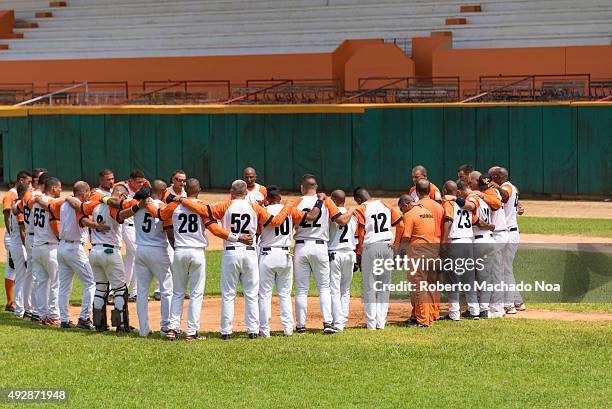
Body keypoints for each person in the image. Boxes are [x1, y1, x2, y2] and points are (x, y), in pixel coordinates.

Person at [180, 179, 295, 339]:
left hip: (231, 252)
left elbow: (202, 210)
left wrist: (182, 199)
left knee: (228, 294)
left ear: (231, 192)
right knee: (251, 294)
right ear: (246, 192)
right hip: (250, 253)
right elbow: (275, 222)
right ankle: (253, 331)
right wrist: (288, 207)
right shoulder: (254, 207)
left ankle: (226, 331)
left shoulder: (224, 206)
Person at [149, 178, 252, 341]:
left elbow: (159, 215)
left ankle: (173, 328)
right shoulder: (202, 207)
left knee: (177, 292)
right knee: (196, 294)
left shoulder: (174, 205)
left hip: (180, 251)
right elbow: (215, 230)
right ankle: (191, 331)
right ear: (199, 190)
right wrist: (237, 237)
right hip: (197, 252)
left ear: (185, 190)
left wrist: (146, 202)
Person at [291, 174, 354, 334]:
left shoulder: (298, 202)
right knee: (324, 287)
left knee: (302, 289)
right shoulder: (326, 201)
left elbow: (288, 222)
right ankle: (328, 322)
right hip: (320, 247)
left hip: (301, 246)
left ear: (302, 188)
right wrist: (352, 210)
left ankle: (301, 325)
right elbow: (340, 221)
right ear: (316, 187)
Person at [119, 180, 173, 337]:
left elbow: (121, 215)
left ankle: (144, 329)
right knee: (166, 290)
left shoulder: (139, 206)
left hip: (141, 250)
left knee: (142, 292)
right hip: (158, 251)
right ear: (163, 192)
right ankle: (165, 327)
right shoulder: (161, 206)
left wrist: (137, 206)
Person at [54, 181, 108, 329]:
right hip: (74, 249)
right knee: (90, 282)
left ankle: (64, 320)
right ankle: (84, 318)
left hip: (62, 247)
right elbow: (84, 221)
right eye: (88, 193)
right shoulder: (77, 204)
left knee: (64, 286)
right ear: (84, 193)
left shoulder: (66, 203)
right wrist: (98, 226)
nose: (89, 196)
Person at [256, 186, 309, 337]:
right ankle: (288, 329)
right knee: (285, 294)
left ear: (267, 199)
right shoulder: (289, 209)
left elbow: (257, 232)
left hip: (267, 254)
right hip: (285, 254)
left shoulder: (263, 211)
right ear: (279, 198)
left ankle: (264, 331)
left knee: (265, 294)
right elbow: (307, 218)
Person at [353, 187, 403, 330]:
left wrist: (359, 253)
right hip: (387, 247)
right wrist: (397, 245)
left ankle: (371, 324)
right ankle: (381, 322)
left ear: (357, 199)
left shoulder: (361, 209)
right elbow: (401, 224)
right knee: (384, 286)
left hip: (370, 247)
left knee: (370, 286)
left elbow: (361, 234)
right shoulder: (385, 204)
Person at [468, 171, 505, 318]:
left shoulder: (486, 194)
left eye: (472, 182)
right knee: (487, 276)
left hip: (492, 236)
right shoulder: (485, 196)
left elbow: (496, 204)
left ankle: (496, 307)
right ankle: (486, 308)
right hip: (490, 237)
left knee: (494, 274)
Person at [397, 194, 437, 327]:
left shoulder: (409, 214)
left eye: (401, 209)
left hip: (418, 255)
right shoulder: (427, 212)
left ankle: (423, 320)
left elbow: (406, 237)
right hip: (432, 253)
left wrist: (400, 253)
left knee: (418, 288)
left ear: (406, 205)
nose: (402, 212)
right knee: (429, 286)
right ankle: (429, 316)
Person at [29, 176, 63, 326]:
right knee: (56, 283)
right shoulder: (52, 203)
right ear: (54, 188)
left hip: (37, 246)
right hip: (51, 247)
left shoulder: (36, 202)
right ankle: (54, 315)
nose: (61, 190)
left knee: (41, 283)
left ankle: (42, 315)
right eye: (60, 187)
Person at [492, 167, 526, 313]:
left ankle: (509, 304)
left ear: (498, 177)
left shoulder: (506, 187)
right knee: (507, 269)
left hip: (509, 231)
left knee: (505, 269)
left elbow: (505, 194)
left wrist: (498, 188)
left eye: (493, 176)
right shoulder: (513, 187)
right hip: (512, 231)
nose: (491, 178)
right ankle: (518, 301)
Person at [413, 179, 445, 320]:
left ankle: (420, 314)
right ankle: (434, 312)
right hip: (436, 245)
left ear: (417, 192)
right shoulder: (439, 207)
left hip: (422, 246)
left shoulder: (417, 206)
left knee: (419, 282)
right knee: (433, 282)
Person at [327, 190, 358, 331]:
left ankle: (337, 322)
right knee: (345, 289)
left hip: (335, 254)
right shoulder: (353, 216)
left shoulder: (330, 215)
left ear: (333, 200)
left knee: (334, 289)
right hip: (350, 254)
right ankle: (343, 319)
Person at [2, 170, 32, 312]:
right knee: (15, 270)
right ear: (21, 180)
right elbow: (7, 216)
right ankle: (12, 302)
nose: (30, 184)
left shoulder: (19, 197)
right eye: (29, 182)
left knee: (15, 270)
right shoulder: (11, 195)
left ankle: (14, 303)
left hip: (16, 237)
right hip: (14, 237)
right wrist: (11, 233)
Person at [9, 182, 29, 318]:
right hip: (20, 245)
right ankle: (20, 310)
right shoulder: (20, 206)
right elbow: (23, 230)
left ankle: (20, 309)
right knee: (22, 279)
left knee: (20, 278)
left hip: (15, 244)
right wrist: (28, 248)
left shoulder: (15, 204)